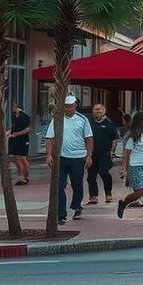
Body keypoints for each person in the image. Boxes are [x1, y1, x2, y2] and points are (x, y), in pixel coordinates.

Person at [44, 95, 93, 225]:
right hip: (61, 157)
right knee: (59, 185)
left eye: (70, 106)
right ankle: (61, 215)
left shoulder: (83, 120)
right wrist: (49, 155)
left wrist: (89, 155)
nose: (68, 109)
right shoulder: (57, 119)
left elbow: (89, 138)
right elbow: (49, 138)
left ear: (75, 106)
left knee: (77, 184)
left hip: (78, 157)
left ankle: (77, 206)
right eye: (66, 106)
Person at [86, 104, 121, 205]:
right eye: (95, 109)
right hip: (91, 153)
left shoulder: (109, 123)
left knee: (104, 173)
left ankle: (108, 193)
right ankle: (93, 196)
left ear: (104, 110)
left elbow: (115, 139)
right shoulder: (89, 123)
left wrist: (111, 151)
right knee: (91, 176)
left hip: (104, 154)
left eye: (100, 109)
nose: (97, 111)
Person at [8, 103, 31, 185]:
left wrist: (17, 134)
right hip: (15, 140)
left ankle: (25, 176)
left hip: (23, 139)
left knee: (22, 157)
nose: (12, 109)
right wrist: (8, 133)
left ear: (17, 107)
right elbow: (13, 128)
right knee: (16, 157)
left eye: (13, 108)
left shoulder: (25, 117)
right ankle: (21, 175)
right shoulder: (14, 116)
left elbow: (28, 129)